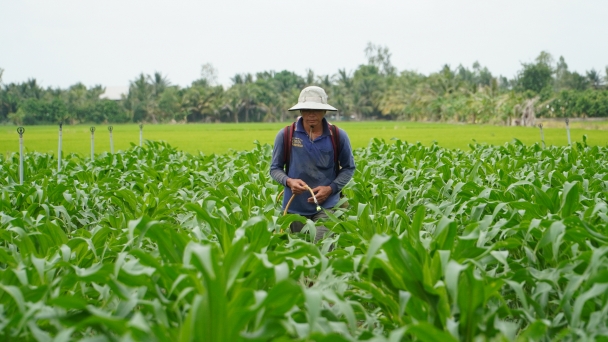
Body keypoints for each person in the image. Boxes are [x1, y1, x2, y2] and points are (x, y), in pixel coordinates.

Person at [270, 86, 356, 242]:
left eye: (316, 109)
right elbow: (275, 169)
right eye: (306, 109)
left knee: (322, 247)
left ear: (324, 112)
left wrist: (330, 189)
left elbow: (349, 168)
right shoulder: (286, 134)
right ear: (300, 111)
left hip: (327, 207)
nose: (311, 114)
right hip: (295, 208)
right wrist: (289, 181)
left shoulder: (337, 135)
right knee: (301, 253)